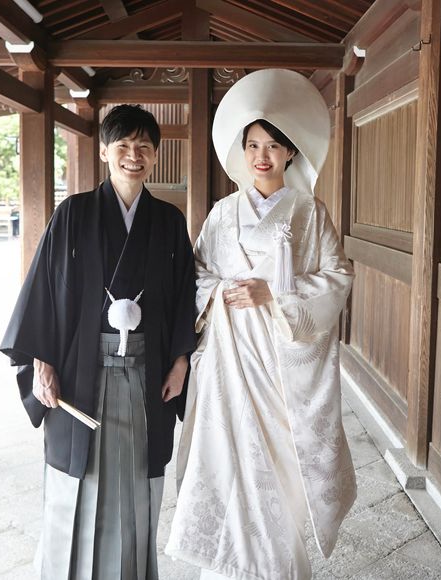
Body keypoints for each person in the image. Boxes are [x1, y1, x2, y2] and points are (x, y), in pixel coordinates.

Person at [165, 69, 356, 579]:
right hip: (230, 360)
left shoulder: (311, 213)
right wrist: (220, 294)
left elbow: (337, 276)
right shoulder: (222, 213)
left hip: (280, 366)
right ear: (242, 151)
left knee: (279, 477)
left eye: (272, 145)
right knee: (228, 464)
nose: (261, 156)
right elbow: (198, 273)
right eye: (252, 145)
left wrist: (274, 294)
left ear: (290, 152)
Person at [0, 104, 197, 580]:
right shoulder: (73, 213)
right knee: (80, 478)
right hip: (79, 372)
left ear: (156, 155)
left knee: (135, 479)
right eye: (123, 145)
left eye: (144, 146)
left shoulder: (169, 221)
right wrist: (42, 362)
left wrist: (180, 362)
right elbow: (45, 290)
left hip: (148, 372)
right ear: (105, 151)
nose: (134, 155)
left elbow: (184, 295)